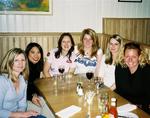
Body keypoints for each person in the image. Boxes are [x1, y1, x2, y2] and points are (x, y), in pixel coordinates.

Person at [0, 48, 39, 118]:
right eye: (16, 60)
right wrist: (21, 115)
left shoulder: (23, 79)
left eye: (23, 60)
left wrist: (22, 114)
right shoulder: (2, 80)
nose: (20, 63)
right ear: (9, 62)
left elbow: (23, 105)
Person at [115, 42, 150, 114]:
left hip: (141, 108)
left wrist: (136, 106)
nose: (130, 60)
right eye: (127, 56)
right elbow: (119, 90)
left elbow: (148, 97)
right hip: (123, 106)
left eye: (134, 57)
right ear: (123, 56)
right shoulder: (119, 67)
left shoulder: (146, 70)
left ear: (139, 57)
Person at [25, 42, 55, 118]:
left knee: (51, 105)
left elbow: (33, 86)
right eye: (32, 52)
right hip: (24, 101)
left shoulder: (38, 67)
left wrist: (34, 94)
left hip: (33, 97)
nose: (36, 55)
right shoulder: (23, 67)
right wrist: (31, 97)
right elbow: (18, 91)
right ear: (27, 53)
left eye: (38, 52)